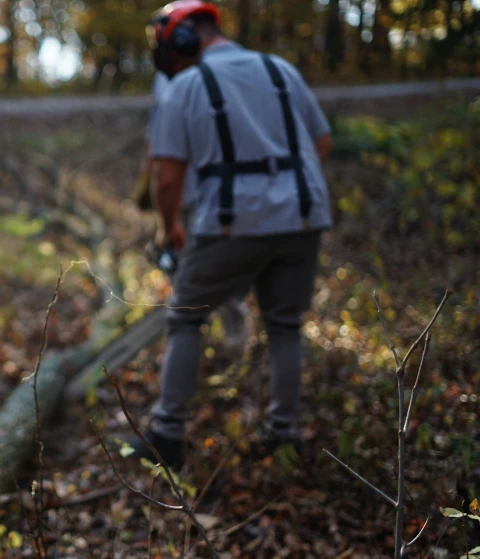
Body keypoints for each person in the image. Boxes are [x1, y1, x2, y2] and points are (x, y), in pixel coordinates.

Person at [130, 0, 334, 470]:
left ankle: (167, 434)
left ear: (182, 40)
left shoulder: (184, 87)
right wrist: (285, 192)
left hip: (230, 223)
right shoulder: (281, 70)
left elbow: (166, 178)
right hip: (303, 217)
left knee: (184, 317)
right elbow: (321, 143)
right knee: (284, 326)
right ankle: (283, 435)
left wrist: (168, 229)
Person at [134, 33, 250, 356]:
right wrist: (148, 177)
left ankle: (228, 330)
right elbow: (156, 133)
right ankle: (195, 330)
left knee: (212, 269)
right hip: (185, 191)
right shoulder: (166, 80)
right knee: (185, 266)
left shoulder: (230, 72)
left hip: (215, 190)